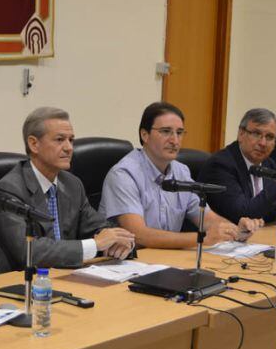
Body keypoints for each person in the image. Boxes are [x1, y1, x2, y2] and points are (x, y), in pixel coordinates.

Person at [0, 107, 135, 276]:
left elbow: (99, 227)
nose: (69, 148)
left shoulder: (72, 184)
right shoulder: (9, 189)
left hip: (62, 278)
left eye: (71, 140)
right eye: (60, 140)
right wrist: (95, 245)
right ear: (34, 144)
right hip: (13, 284)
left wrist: (121, 241)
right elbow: (29, 251)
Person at [98, 102, 263, 249]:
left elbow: (205, 218)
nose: (174, 140)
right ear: (144, 135)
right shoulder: (124, 174)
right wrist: (201, 239)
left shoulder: (181, 171)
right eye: (166, 132)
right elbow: (138, 234)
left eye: (179, 132)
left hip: (168, 260)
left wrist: (235, 230)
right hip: (130, 262)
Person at [198, 108, 276, 224]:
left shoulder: (269, 164)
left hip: (259, 237)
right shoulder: (220, 165)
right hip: (223, 239)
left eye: (269, 137)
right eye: (257, 134)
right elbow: (244, 214)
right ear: (241, 134)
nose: (263, 143)